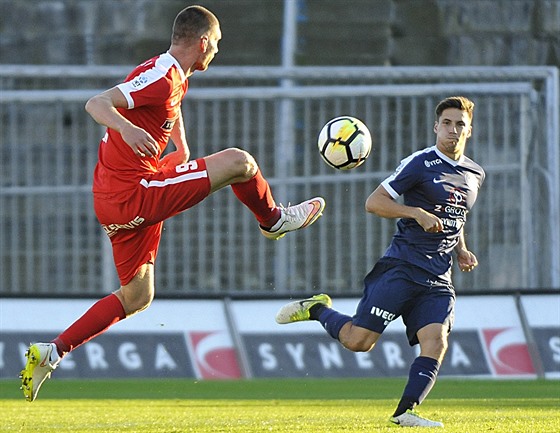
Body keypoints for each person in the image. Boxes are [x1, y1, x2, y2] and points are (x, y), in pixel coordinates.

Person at [20, 5, 325, 402]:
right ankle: (273, 220)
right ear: (202, 42)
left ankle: (53, 351)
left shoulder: (172, 77)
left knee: (137, 295)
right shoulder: (161, 75)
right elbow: (96, 104)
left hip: (115, 199)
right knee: (240, 162)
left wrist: (177, 148)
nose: (215, 51)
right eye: (215, 44)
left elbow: (172, 123)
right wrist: (128, 130)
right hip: (134, 192)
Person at [276, 96, 484, 428]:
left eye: (460, 125)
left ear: (469, 130)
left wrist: (461, 249)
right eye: (447, 123)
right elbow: (374, 202)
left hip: (438, 278)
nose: (453, 131)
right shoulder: (419, 163)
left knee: (437, 340)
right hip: (401, 267)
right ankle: (317, 308)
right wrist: (414, 212)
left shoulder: (475, 173)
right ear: (436, 127)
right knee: (359, 342)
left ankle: (406, 411)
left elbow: (456, 216)